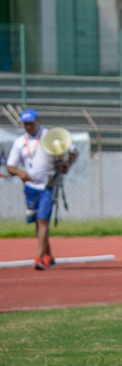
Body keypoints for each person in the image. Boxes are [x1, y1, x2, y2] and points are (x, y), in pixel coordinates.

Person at [5, 109, 78, 270]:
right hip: (30, 187)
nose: (29, 126)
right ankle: (49, 257)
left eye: (31, 123)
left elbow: (73, 151)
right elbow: (10, 166)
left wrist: (67, 165)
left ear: (38, 121)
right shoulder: (20, 142)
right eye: (25, 124)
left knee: (43, 220)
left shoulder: (50, 136)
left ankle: (38, 258)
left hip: (48, 185)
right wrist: (19, 172)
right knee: (38, 223)